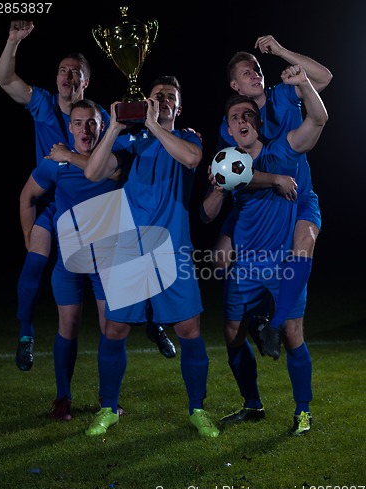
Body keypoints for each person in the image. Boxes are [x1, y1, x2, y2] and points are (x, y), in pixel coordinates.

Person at [0, 20, 175, 370]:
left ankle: (153, 320)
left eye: (75, 73)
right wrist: (13, 40)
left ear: (85, 82)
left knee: (137, 249)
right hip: (56, 203)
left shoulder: (100, 118)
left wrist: (170, 128)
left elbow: (124, 154)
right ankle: (26, 334)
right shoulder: (42, 105)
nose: (67, 77)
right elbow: (4, 78)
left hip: (97, 208)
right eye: (62, 71)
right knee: (35, 259)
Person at [81, 75, 220, 438]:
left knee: (189, 330)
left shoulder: (187, 139)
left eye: (170, 96)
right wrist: (112, 127)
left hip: (173, 249)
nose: (162, 99)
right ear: (146, 101)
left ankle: (197, 410)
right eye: (156, 95)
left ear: (178, 107)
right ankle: (108, 408)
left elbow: (191, 158)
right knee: (115, 329)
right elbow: (94, 172)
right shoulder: (131, 141)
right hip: (129, 247)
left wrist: (156, 126)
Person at [202, 64, 328, 435]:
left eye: (248, 115)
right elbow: (208, 214)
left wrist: (303, 83)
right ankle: (252, 404)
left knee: (292, 336)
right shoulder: (227, 166)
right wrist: (217, 190)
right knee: (232, 335)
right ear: (228, 128)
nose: (241, 120)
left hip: (283, 263)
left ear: (257, 123)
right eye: (234, 117)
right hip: (246, 267)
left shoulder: (284, 150)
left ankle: (302, 410)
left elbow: (318, 119)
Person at [213, 36, 333, 358]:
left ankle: (275, 324)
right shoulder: (235, 119)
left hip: (297, 195)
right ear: (235, 85)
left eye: (257, 68)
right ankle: (256, 316)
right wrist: (274, 179)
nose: (255, 73)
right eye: (246, 71)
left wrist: (281, 52)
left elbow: (324, 78)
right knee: (220, 259)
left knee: (304, 241)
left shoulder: (282, 95)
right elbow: (237, 177)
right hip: (254, 202)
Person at [19, 98, 124, 420]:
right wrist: (28, 238)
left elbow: (101, 172)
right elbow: (27, 196)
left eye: (91, 122)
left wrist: (68, 155)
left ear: (102, 125)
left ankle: (109, 400)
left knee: (112, 329)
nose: (85, 129)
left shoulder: (115, 158)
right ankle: (62, 399)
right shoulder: (55, 163)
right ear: (70, 127)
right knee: (69, 325)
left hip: (105, 261)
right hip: (69, 262)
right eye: (78, 123)